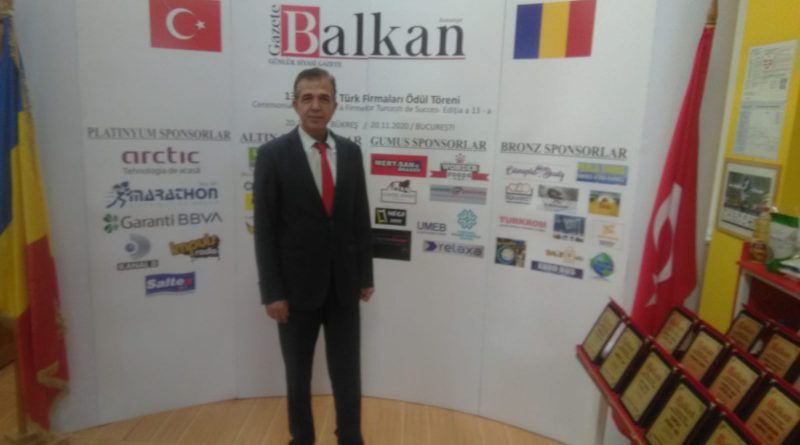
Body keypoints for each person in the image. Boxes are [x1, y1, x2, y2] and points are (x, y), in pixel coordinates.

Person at [253, 67, 374, 445]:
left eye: (324, 98)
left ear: (335, 105)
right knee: (298, 375)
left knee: (347, 372)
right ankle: (301, 439)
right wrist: (272, 292)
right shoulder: (272, 155)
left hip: (344, 287)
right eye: (307, 98)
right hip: (294, 291)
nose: (316, 106)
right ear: (295, 105)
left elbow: (359, 218)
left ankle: (350, 437)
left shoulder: (351, 152)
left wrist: (365, 275)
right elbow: (265, 229)